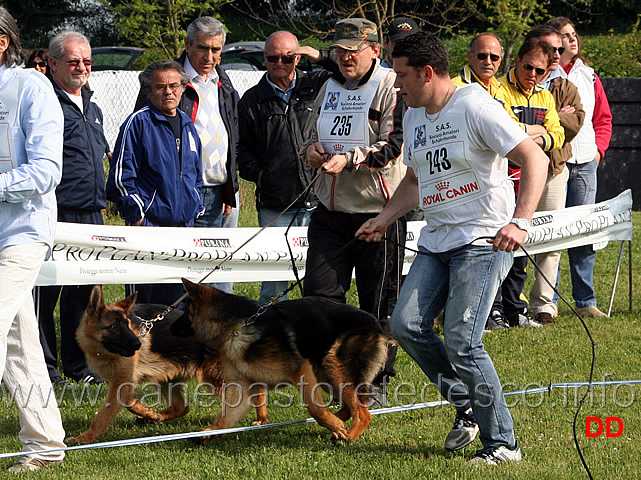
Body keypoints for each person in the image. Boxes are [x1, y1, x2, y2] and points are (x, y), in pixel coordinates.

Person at [356, 31, 548, 464]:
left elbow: (534, 159)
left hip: (484, 238)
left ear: (427, 73)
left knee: (462, 338)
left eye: (402, 75)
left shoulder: (476, 106)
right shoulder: (417, 115)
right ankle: (467, 403)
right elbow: (415, 178)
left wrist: (521, 220)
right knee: (404, 326)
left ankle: (503, 444)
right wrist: (384, 218)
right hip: (438, 239)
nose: (396, 84)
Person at [303, 18, 405, 403]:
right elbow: (313, 135)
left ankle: (376, 382)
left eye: (354, 50)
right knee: (320, 295)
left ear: (375, 50)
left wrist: (349, 159)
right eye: (340, 51)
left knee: (378, 302)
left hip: (378, 212)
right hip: (330, 212)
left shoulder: (392, 86)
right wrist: (312, 150)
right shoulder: (327, 86)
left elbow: (393, 145)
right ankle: (336, 376)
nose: (346, 57)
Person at [0, 7, 66, 472]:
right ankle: (45, 445)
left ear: (2, 41)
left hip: (21, 231)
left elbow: (46, 171)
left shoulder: (31, 86)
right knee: (20, 343)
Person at [133, 17, 239, 294]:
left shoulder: (224, 84)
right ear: (187, 44)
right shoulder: (165, 82)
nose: (210, 56)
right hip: (180, 195)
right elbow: (142, 142)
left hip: (222, 194)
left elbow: (233, 138)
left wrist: (231, 188)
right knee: (183, 278)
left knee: (220, 274)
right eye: (203, 48)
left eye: (216, 49)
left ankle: (215, 337)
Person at [237, 31, 336, 305]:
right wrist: (261, 176)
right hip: (276, 204)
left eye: (288, 57)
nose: (279, 63)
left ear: (298, 57)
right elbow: (241, 150)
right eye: (272, 57)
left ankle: (314, 337)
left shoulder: (318, 85)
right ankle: (273, 342)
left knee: (319, 280)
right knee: (275, 284)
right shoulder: (251, 100)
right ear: (264, 59)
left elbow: (353, 71)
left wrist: (320, 56)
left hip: (320, 199)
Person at [34, 31, 109, 386]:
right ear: (52, 64)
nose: (82, 68)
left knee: (83, 297)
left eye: (87, 61)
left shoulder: (93, 108)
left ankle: (79, 368)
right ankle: (44, 370)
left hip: (91, 214)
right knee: (43, 297)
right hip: (54, 214)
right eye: (73, 61)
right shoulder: (44, 105)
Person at [106, 60, 203, 304]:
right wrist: (140, 217)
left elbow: (196, 176)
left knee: (178, 307)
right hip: (148, 231)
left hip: (183, 232)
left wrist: (195, 208)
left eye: (173, 86)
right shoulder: (137, 123)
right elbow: (120, 179)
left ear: (183, 88)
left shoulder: (189, 125)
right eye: (160, 87)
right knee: (144, 309)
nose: (168, 92)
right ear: (149, 91)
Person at [488, 37, 565, 330]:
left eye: (540, 71)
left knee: (521, 246)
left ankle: (513, 310)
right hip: (500, 179)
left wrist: (541, 136)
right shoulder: (499, 89)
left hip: (528, 181)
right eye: (528, 67)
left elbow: (558, 134)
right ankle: (492, 310)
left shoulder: (545, 95)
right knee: (496, 244)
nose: (532, 74)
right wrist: (535, 132)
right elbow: (501, 127)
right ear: (517, 61)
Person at [546, 16, 613, 318]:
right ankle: (548, 302)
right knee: (552, 234)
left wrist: (598, 151)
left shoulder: (590, 75)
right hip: (554, 161)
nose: (572, 40)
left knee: (582, 234)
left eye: (574, 34)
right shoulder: (544, 72)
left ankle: (585, 302)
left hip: (585, 163)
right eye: (565, 36)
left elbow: (604, 119)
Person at [524, 25, 585, 324]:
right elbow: (507, 121)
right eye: (551, 48)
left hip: (554, 169)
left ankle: (543, 304)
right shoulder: (513, 81)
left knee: (551, 239)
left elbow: (576, 124)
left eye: (560, 49)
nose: (557, 54)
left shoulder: (567, 85)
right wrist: (553, 117)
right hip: (514, 171)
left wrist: (547, 120)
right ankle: (508, 301)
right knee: (513, 233)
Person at [452, 32, 504, 98]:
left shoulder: (502, 89)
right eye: (482, 56)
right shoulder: (456, 89)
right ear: (470, 56)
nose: (488, 62)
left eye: (494, 57)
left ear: (501, 60)